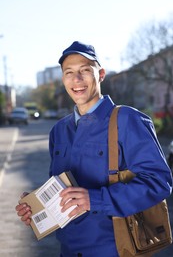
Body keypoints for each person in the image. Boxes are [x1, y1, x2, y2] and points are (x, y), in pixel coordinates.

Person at [16, 41, 172, 257]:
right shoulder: (59, 130)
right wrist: (37, 207)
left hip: (116, 251)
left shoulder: (127, 120)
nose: (76, 79)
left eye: (85, 70)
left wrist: (95, 199)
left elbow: (159, 182)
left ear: (100, 75)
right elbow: (63, 191)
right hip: (68, 251)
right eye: (69, 72)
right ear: (63, 79)